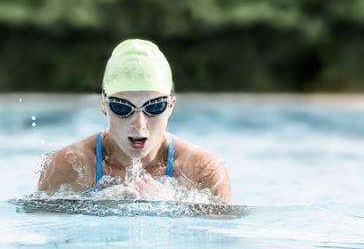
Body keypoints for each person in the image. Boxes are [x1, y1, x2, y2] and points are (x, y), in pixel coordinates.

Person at [37, 39, 231, 203]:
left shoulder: (204, 172)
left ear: (171, 106)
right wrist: (94, 206)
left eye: (154, 107)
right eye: (122, 107)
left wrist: (170, 204)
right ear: (104, 105)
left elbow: (219, 242)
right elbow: (42, 230)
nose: (139, 124)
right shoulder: (67, 166)